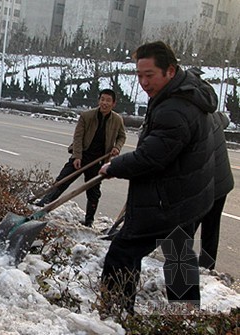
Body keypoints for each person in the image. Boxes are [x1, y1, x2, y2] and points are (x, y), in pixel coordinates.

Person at [98, 41, 217, 312]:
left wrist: (114, 166)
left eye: (149, 75)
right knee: (178, 251)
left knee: (123, 252)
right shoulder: (185, 94)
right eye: (139, 75)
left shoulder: (175, 107)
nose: (143, 82)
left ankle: (113, 315)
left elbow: (153, 156)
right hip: (188, 194)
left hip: (169, 198)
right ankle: (185, 311)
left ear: (170, 71)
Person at [36, 89, 126, 227]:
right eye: (102, 99)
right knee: (61, 182)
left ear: (113, 103)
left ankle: (89, 221)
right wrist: (77, 156)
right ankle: (41, 206)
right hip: (82, 155)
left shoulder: (117, 120)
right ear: (98, 100)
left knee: (94, 192)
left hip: (98, 160)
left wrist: (117, 148)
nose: (104, 103)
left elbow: (122, 136)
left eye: (108, 100)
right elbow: (78, 137)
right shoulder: (87, 116)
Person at [194, 111, 234, 270]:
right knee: (211, 229)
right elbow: (225, 120)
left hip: (204, 185)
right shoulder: (213, 115)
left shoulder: (187, 118)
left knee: (179, 233)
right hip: (221, 184)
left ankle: (180, 285)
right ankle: (206, 268)